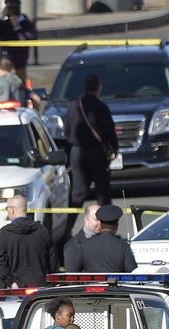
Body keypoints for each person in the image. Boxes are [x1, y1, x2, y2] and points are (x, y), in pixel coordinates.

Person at [65, 75, 118, 225]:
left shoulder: (73, 107)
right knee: (103, 193)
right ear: (98, 88)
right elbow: (109, 131)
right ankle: (107, 226)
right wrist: (114, 147)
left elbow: (67, 130)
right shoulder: (101, 107)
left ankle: (67, 227)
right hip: (96, 153)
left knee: (78, 193)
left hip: (77, 152)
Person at [0, 195, 56, 289]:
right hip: (41, 288)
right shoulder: (42, 231)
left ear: (11, 210)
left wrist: (11, 283)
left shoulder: (3, 234)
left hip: (14, 291)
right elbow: (53, 262)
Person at [70, 205, 136, 273]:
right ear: (116, 225)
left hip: (92, 283)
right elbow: (132, 271)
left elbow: (75, 270)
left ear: (100, 224)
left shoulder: (84, 245)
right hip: (116, 283)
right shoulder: (122, 246)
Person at [0, 0, 36, 84]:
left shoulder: (26, 23)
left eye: (14, 6)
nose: (12, 9)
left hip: (19, 63)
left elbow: (27, 41)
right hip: (5, 64)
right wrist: (2, 19)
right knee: (5, 86)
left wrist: (17, 27)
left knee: (20, 87)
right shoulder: (4, 24)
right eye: (9, 7)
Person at [63, 204, 100, 272]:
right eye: (96, 219)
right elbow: (72, 277)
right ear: (86, 219)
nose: (99, 223)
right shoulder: (73, 246)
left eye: (101, 219)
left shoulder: (108, 239)